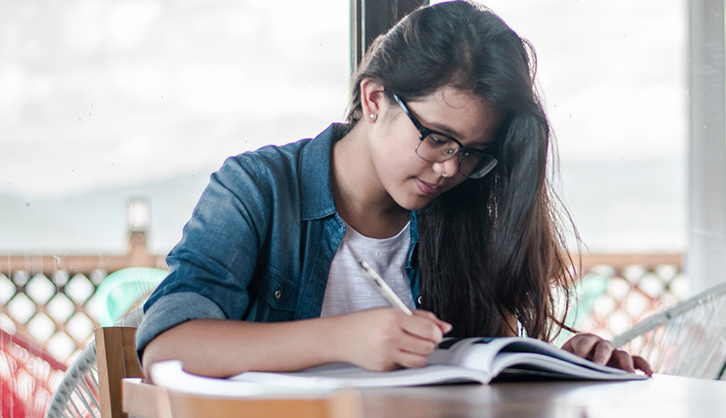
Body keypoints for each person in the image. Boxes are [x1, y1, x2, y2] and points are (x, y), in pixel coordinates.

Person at [137, 0, 652, 378]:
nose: (451, 169)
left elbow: (483, 371)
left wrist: (568, 363)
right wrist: (343, 337)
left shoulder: (461, 212)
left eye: (472, 152)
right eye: (438, 139)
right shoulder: (258, 189)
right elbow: (167, 346)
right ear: (376, 97)